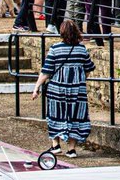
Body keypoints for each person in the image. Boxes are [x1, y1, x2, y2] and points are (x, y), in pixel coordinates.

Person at [32, 19, 96, 158]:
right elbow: (88, 68)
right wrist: (80, 79)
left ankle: (55, 145)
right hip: (77, 89)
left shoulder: (55, 49)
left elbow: (46, 71)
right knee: (75, 116)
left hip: (58, 88)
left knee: (55, 114)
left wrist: (36, 87)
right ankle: (72, 149)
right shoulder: (81, 49)